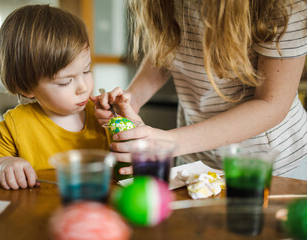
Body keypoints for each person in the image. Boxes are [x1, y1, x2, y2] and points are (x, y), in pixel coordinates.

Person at [94, 0, 307, 179]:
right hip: (194, 158)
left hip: (269, 165)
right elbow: (166, 50)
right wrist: (132, 99)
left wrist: (169, 142)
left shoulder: (283, 7)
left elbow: (272, 104)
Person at [0, 5, 108, 190]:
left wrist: (125, 125)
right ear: (26, 87)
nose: (84, 87)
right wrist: (3, 163)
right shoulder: (17, 124)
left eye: (87, 70)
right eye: (65, 81)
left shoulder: (103, 115)